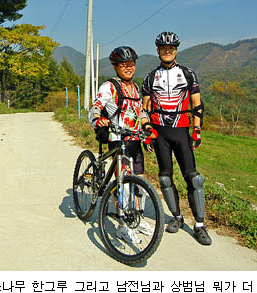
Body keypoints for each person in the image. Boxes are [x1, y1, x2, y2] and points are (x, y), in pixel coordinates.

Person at [141, 32, 212, 246]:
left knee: (193, 178)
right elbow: (145, 109)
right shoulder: (150, 77)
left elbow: (197, 104)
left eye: (171, 48)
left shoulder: (188, 74)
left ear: (176, 50)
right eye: (163, 48)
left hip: (181, 130)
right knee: (165, 178)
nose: (167, 51)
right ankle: (177, 217)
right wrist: (147, 132)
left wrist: (197, 129)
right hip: (159, 132)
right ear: (158, 50)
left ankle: (199, 225)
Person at [88, 46, 157, 245]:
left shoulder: (135, 88)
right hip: (117, 139)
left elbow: (140, 111)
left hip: (134, 139)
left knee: (139, 181)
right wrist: (97, 119)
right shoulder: (109, 87)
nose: (128, 68)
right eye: (124, 65)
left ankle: (137, 218)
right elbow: (97, 106)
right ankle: (123, 226)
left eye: (131, 64)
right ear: (115, 66)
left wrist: (147, 126)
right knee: (124, 183)